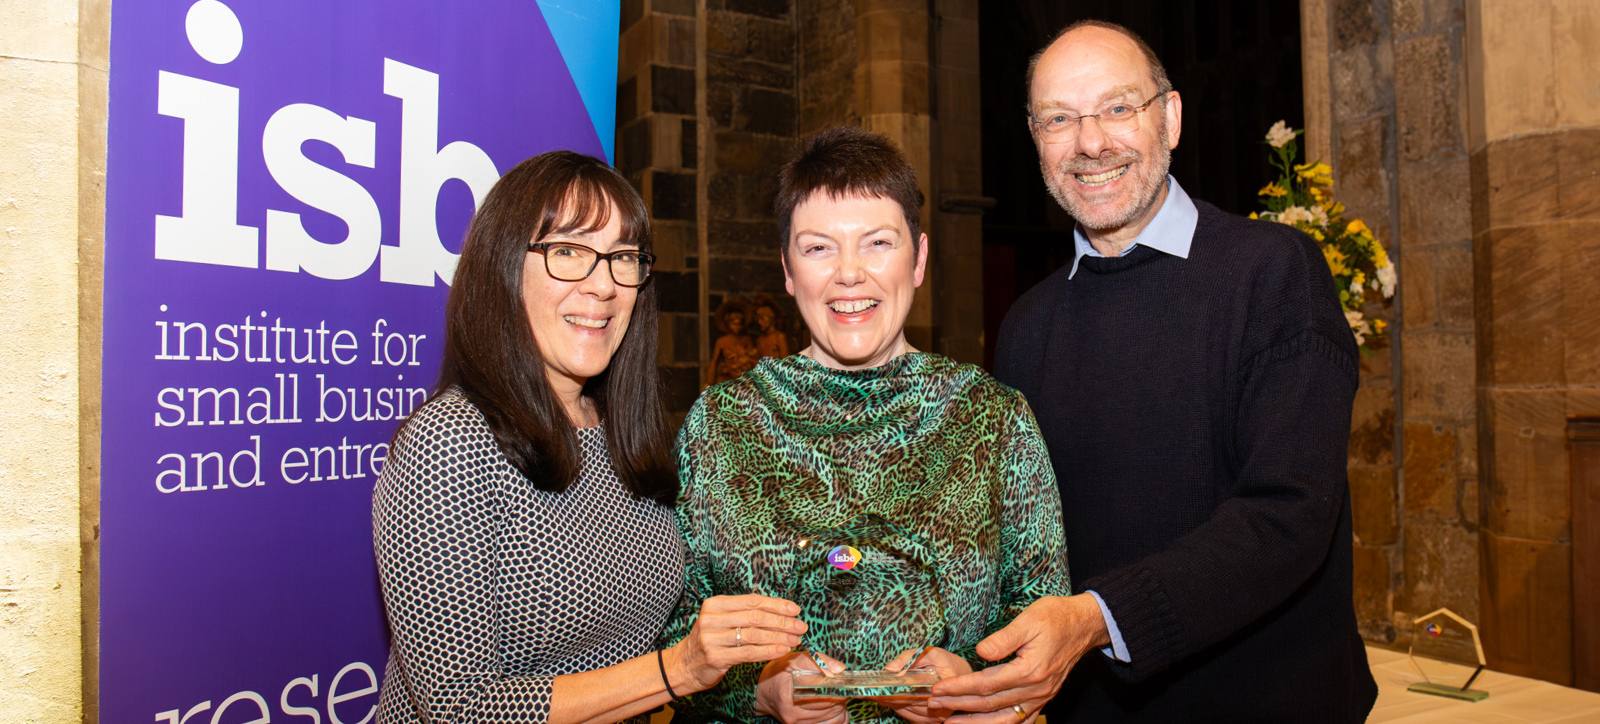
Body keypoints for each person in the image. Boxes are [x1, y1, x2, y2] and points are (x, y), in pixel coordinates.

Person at [929, 20, 1379, 723]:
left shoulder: (1271, 273)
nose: (1091, 142)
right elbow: (1019, 540)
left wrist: (1096, 619)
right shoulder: (1026, 325)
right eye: (1059, 119)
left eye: (1117, 107)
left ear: (1169, 118)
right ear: (1035, 139)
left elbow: (1288, 514)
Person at [371, 150, 806, 724]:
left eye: (623, 258)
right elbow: (461, 709)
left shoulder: (623, 433)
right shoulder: (451, 443)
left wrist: (762, 679)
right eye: (568, 252)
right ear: (503, 267)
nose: (602, 285)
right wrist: (680, 669)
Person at [661, 127, 1071, 724]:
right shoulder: (721, 425)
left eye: (877, 242)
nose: (849, 273)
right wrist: (757, 693)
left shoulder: (994, 419)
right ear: (787, 270)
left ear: (920, 258)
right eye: (818, 247)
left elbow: (1040, 620)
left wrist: (976, 686)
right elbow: (675, 632)